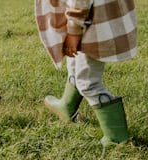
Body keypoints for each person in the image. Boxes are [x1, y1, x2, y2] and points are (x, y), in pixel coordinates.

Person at [35, 0, 137, 146]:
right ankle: (67, 106)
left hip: (92, 23)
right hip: (91, 18)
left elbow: (80, 2)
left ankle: (118, 139)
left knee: (88, 83)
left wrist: (74, 30)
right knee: (75, 63)